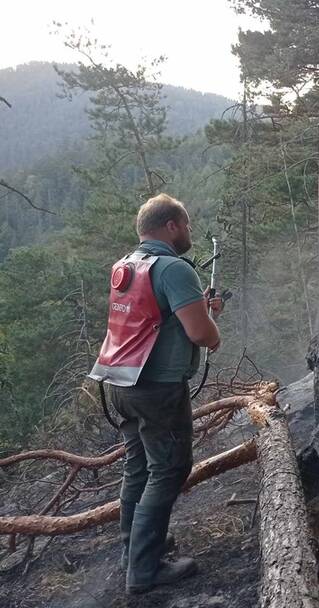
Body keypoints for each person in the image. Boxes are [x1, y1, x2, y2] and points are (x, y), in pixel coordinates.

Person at [89, 194, 222, 594]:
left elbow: (157, 320)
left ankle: (137, 551)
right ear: (171, 226)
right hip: (158, 388)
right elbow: (200, 333)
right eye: (187, 226)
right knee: (169, 470)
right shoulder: (174, 268)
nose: (189, 233)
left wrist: (201, 309)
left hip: (118, 382)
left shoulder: (125, 266)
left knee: (139, 468)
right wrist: (213, 331)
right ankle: (145, 570)